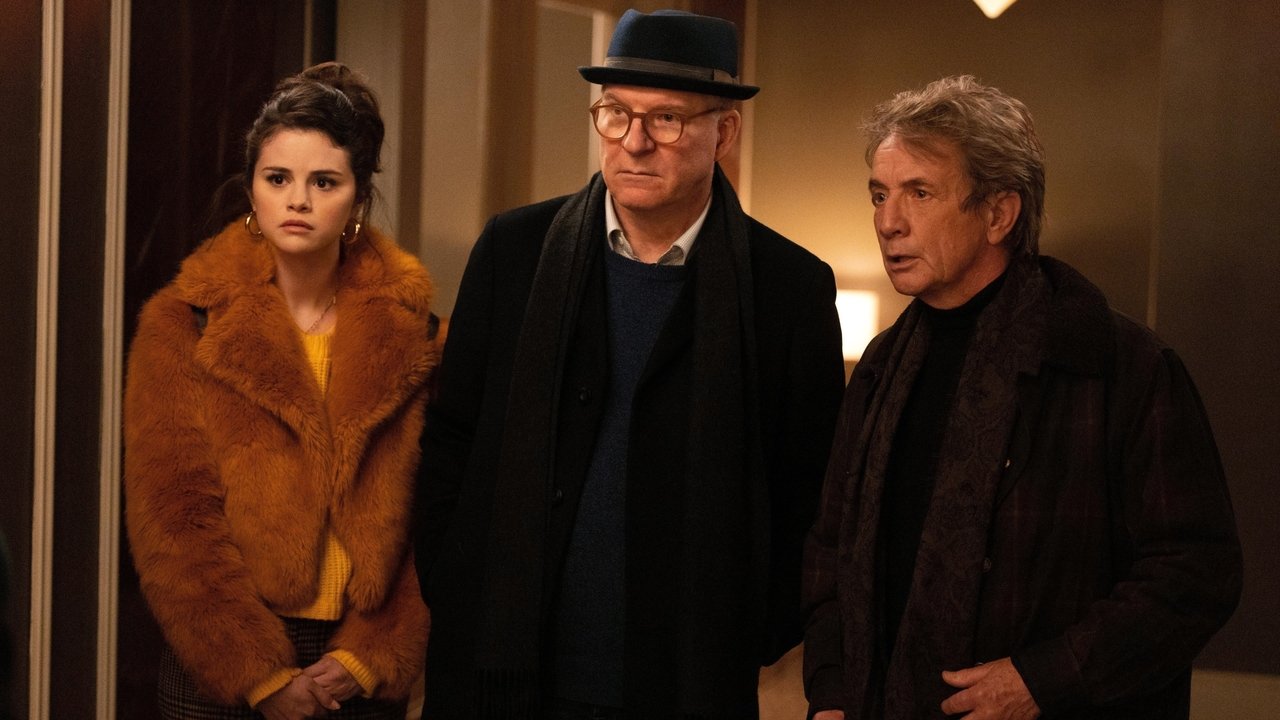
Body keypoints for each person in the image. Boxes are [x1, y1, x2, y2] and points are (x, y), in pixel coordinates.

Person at [414, 8, 845, 719]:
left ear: (724, 132)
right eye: (615, 113)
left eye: (667, 119)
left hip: (686, 680)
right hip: (505, 666)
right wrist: (455, 580)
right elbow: (452, 437)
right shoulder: (514, 251)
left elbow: (811, 491)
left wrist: (749, 631)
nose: (635, 142)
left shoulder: (789, 288)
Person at [802, 75, 1242, 720]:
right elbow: (831, 548)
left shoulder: (1121, 366)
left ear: (998, 214)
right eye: (879, 194)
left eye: (919, 193)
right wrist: (832, 692)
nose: (888, 222)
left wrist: (1042, 681)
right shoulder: (882, 365)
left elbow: (1196, 571)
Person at [124, 62, 435, 720]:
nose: (298, 201)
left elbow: (436, 517)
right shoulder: (184, 323)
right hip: (221, 665)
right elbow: (174, 522)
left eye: (324, 181)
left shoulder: (418, 334)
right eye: (277, 179)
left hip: (357, 665)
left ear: (357, 198)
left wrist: (370, 657)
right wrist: (258, 675)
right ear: (252, 191)